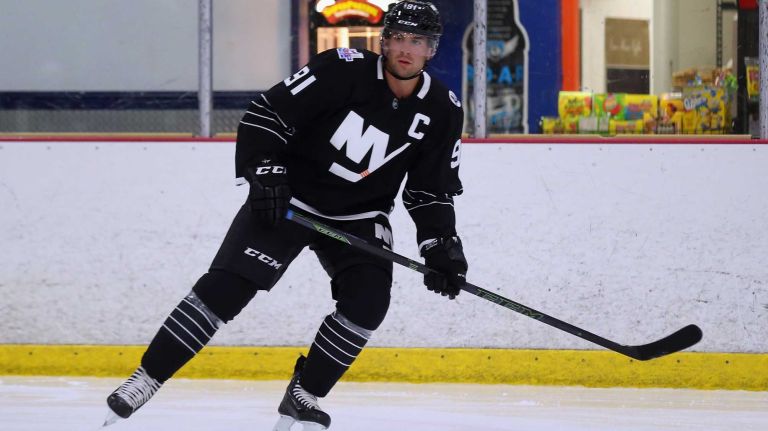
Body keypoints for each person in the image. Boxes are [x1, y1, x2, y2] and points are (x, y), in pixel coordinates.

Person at [103, 1, 468, 430]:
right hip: (290, 200)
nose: (407, 49)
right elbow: (267, 113)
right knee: (225, 289)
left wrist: (441, 244)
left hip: (361, 215)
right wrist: (265, 170)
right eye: (400, 38)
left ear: (432, 49)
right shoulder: (340, 68)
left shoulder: (443, 108)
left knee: (368, 304)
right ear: (384, 41)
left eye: (418, 41)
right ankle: (146, 378)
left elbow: (430, 188)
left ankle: (303, 394)